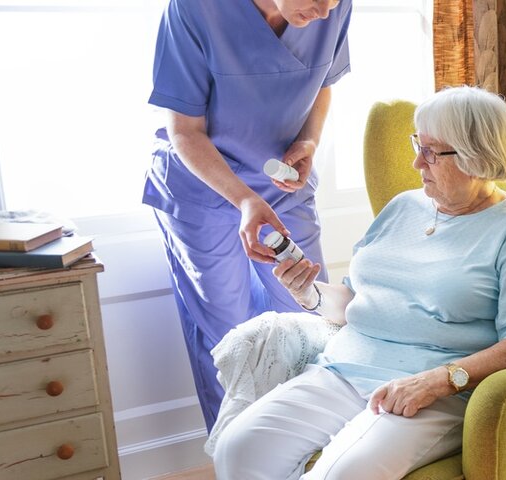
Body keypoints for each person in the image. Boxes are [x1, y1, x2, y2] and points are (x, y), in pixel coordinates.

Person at [212, 86, 506, 479]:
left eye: (430, 151)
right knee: (238, 449)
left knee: (341, 474)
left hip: (429, 392)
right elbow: (358, 302)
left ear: (475, 155)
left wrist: (438, 381)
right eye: (417, 145)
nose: (415, 163)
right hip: (343, 369)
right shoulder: (403, 207)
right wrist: (307, 293)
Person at [141, 0, 352, 430]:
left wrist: (309, 143)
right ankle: (239, 459)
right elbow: (185, 131)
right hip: (205, 189)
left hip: (283, 185)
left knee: (312, 322)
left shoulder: (334, 6)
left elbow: (323, 84)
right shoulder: (196, 10)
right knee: (228, 336)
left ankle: (308, 455)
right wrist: (244, 201)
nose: (326, 12)